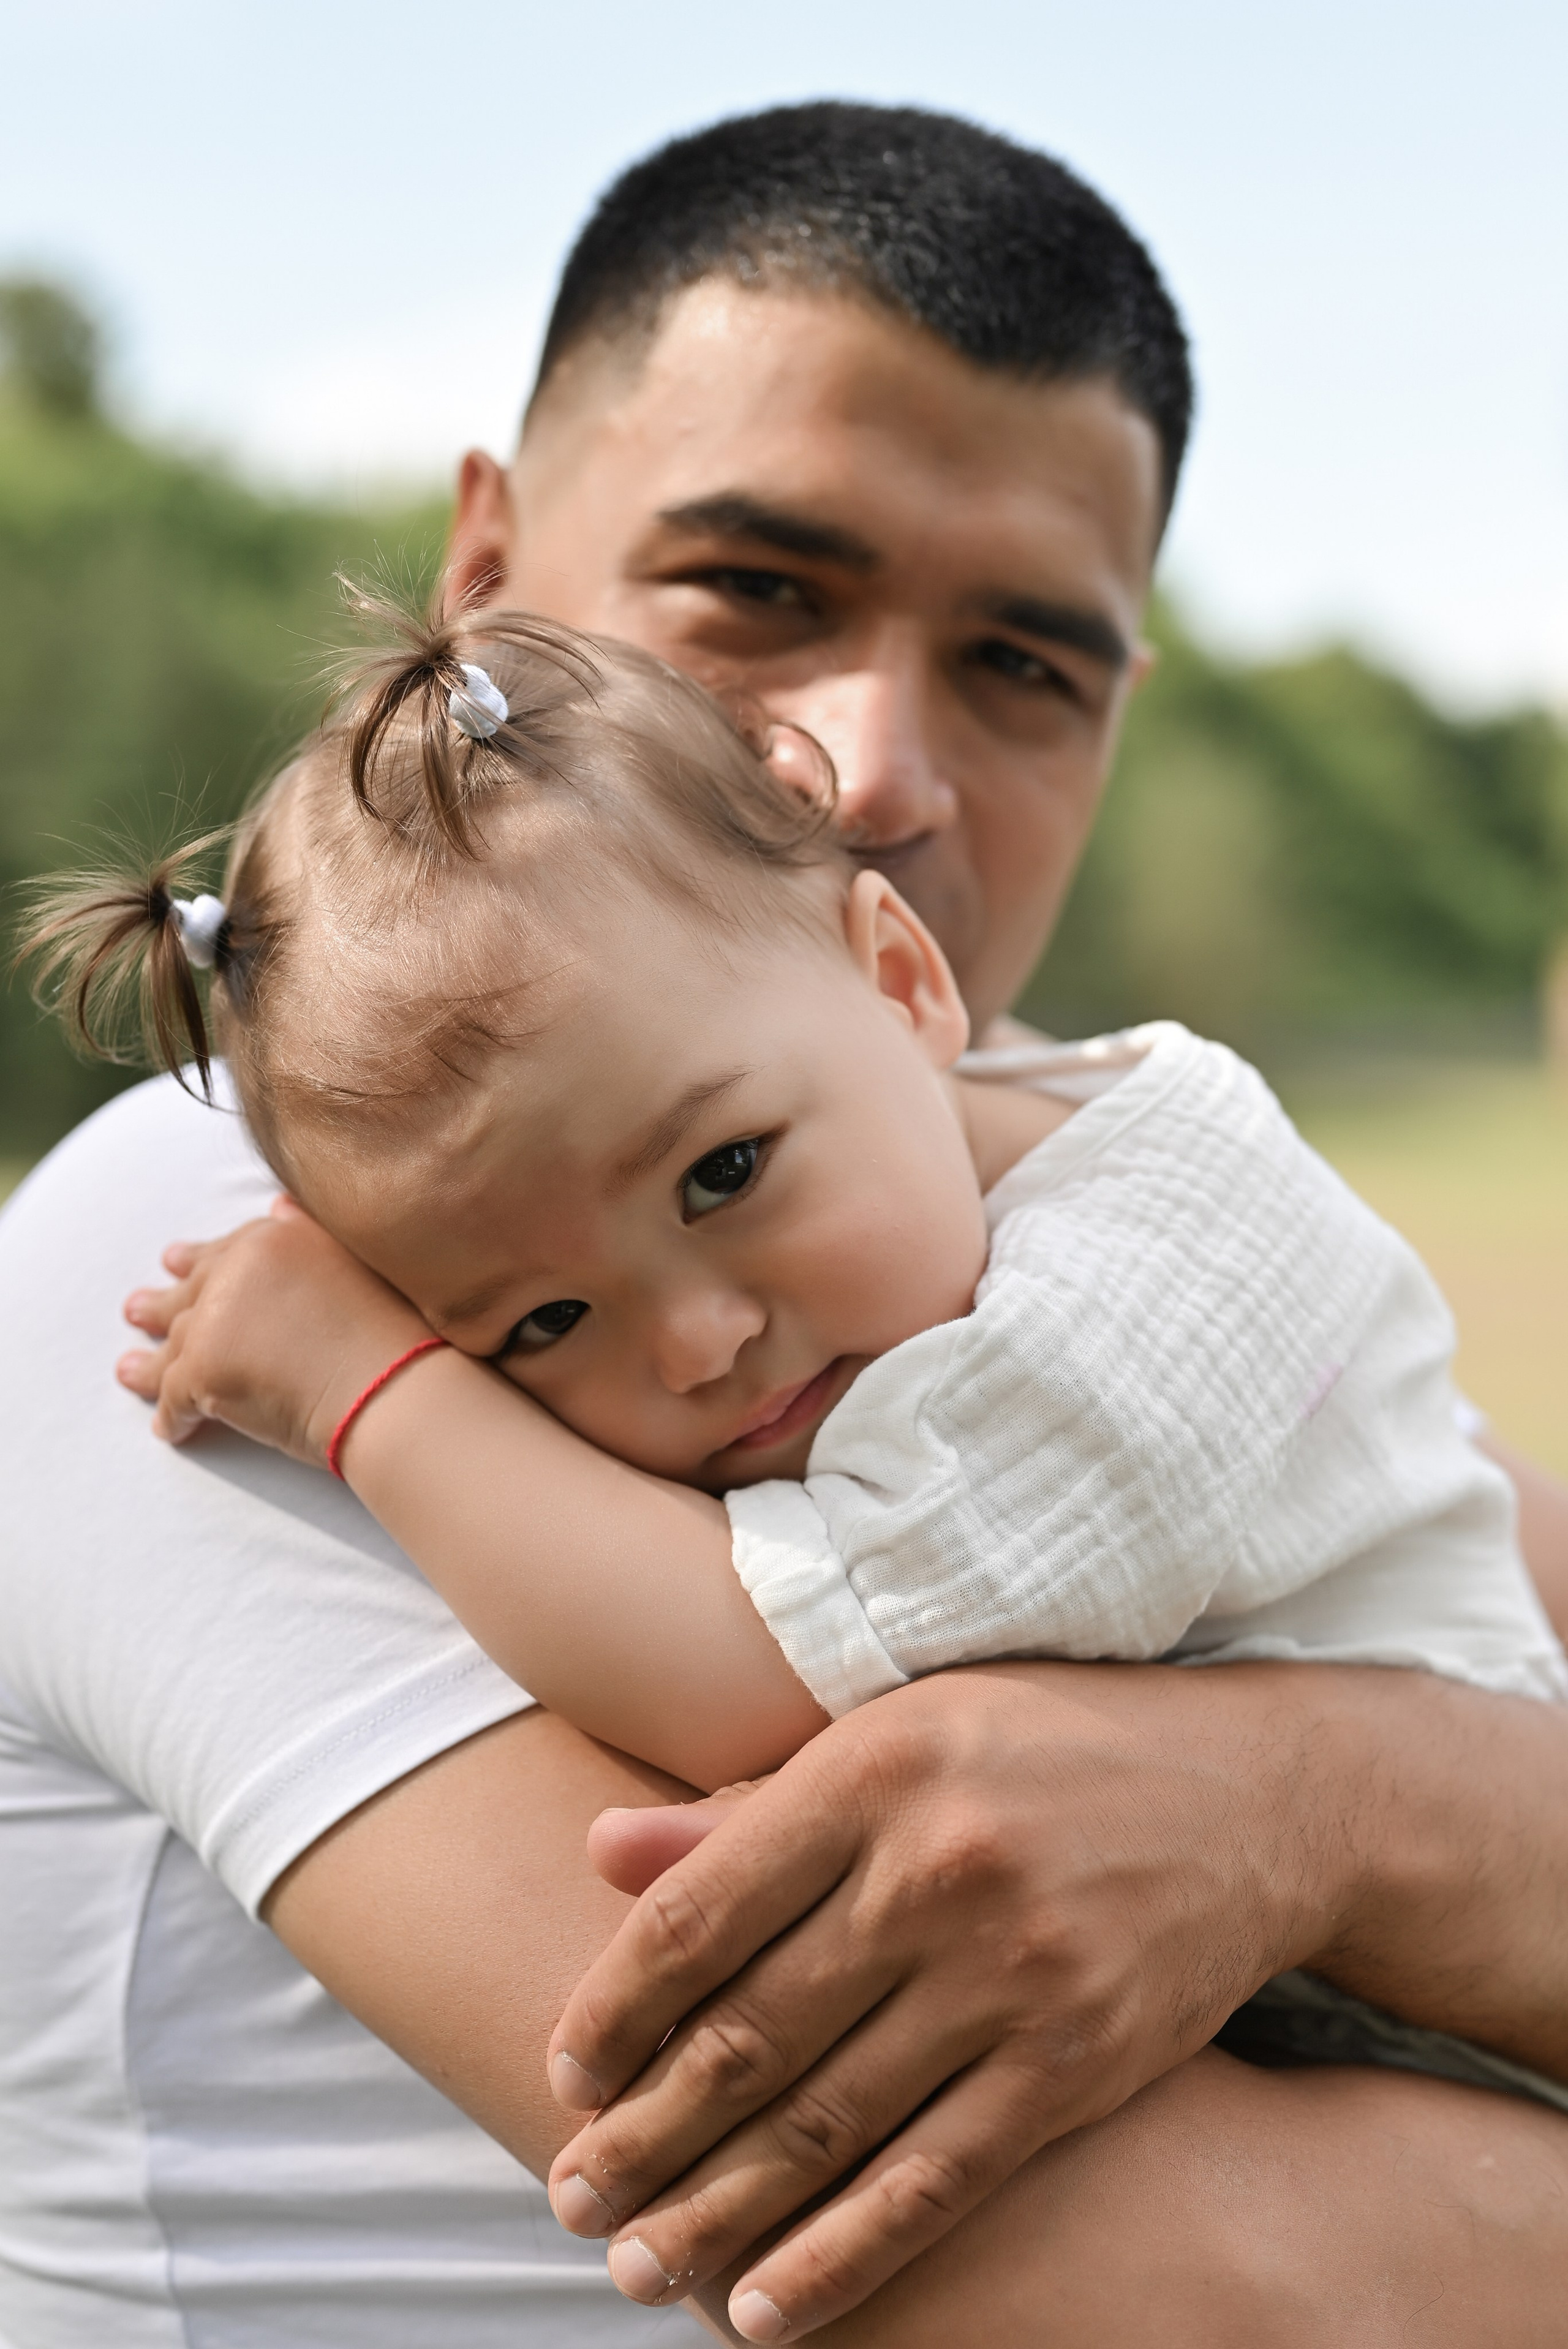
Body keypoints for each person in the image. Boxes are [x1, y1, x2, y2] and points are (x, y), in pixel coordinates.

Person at [4, 101, 1568, 2349]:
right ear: (486, 572)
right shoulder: (236, 1228)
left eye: (1025, 663)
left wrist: (1312, 1802)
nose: (873, 760)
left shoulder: (1121, 1242)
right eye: (760, 589)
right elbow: (1202, 2293)